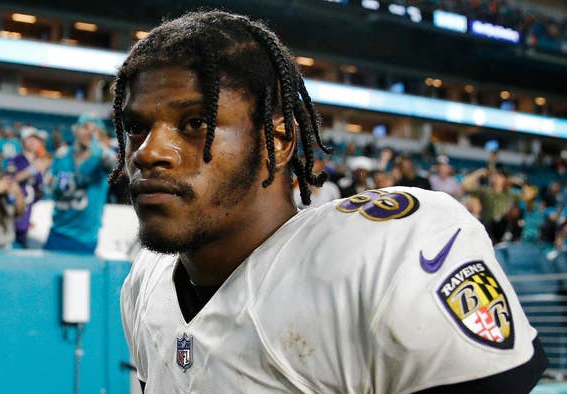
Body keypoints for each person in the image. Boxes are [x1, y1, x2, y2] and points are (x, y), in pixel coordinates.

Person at [116, 11, 546, 393]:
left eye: (194, 123)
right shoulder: (145, 283)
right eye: (136, 127)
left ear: (279, 141)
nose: (148, 152)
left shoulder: (383, 254)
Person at [43, 116, 116, 254]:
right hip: (57, 232)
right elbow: (51, 187)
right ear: (75, 130)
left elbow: (112, 164)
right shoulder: (62, 156)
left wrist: (97, 148)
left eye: (95, 130)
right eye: (85, 128)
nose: (89, 133)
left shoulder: (101, 157)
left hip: (84, 238)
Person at [4, 127, 51, 246]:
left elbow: (38, 191)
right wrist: (32, 170)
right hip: (12, 211)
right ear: (23, 141)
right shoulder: (15, 159)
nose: (34, 142)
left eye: (37, 140)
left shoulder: (40, 162)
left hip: (27, 213)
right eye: (30, 139)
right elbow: (8, 181)